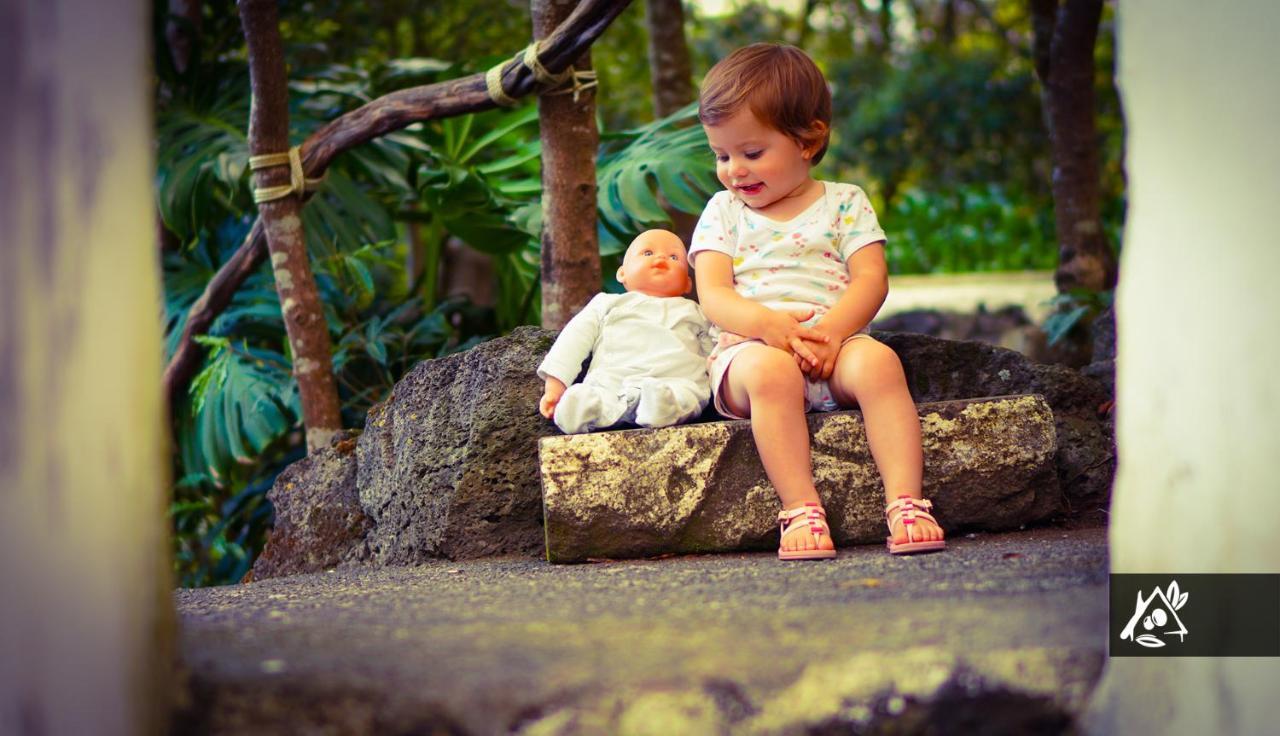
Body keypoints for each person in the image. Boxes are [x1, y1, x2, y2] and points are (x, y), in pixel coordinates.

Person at [689, 43, 945, 560]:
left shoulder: (845, 202)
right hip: (751, 355)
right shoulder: (724, 211)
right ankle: (801, 508)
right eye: (721, 155)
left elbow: (871, 280)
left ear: (808, 140)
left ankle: (906, 501)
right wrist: (767, 327)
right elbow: (712, 292)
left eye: (752, 152)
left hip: (835, 348)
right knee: (770, 374)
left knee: (879, 364)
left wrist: (833, 334)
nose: (734, 170)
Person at [538, 229, 713, 434]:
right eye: (647, 253)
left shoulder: (697, 312)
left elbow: (714, 348)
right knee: (592, 396)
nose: (661, 257)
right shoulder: (607, 303)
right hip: (612, 382)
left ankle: (662, 407)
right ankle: (580, 409)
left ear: (687, 283)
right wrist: (555, 385)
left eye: (674, 257)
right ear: (622, 273)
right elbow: (574, 339)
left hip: (673, 383)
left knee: (686, 396)